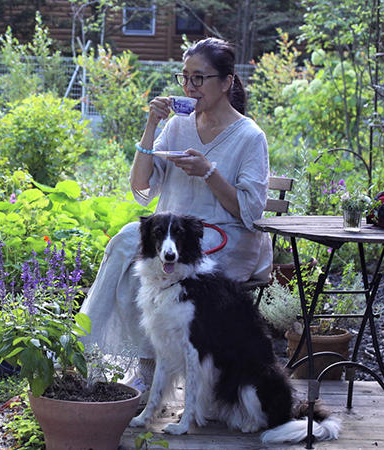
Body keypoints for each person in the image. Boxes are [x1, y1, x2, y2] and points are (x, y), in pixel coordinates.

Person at [80, 38, 273, 393]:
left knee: (158, 266)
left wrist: (208, 172)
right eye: (184, 77)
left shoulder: (249, 137)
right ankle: (88, 349)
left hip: (225, 234)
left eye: (199, 78)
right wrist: (152, 124)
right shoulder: (179, 124)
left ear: (227, 81)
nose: (188, 87)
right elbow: (141, 184)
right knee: (126, 244)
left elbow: (250, 211)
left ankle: (149, 371)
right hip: (172, 229)